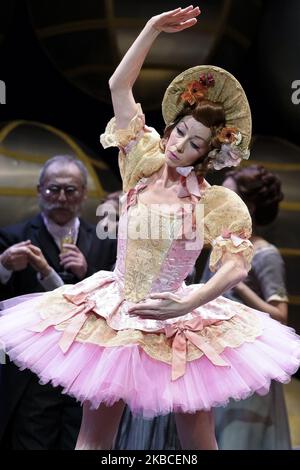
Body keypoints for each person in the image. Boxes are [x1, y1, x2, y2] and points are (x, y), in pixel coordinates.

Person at [0, 6, 299, 451]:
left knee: (198, 439)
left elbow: (235, 268)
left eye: (193, 143)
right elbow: (119, 85)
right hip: (113, 311)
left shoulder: (214, 201)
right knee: (92, 439)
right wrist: (151, 29)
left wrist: (190, 302)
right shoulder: (140, 163)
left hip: (177, 318)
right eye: (179, 132)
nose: (179, 144)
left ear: (207, 155)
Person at [0, 155, 116, 450]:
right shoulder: (13, 237)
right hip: (33, 375)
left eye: (70, 190)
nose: (61, 198)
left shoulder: (105, 242)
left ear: (84, 194)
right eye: (53, 190)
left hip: (86, 371)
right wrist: (3, 267)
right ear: (40, 190)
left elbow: (117, 301)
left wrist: (87, 274)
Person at [201, 165, 291, 449]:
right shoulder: (222, 248)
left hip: (246, 363)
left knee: (237, 438)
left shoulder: (265, 254)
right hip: (215, 357)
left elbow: (280, 315)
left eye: (229, 196)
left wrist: (236, 283)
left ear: (247, 206)